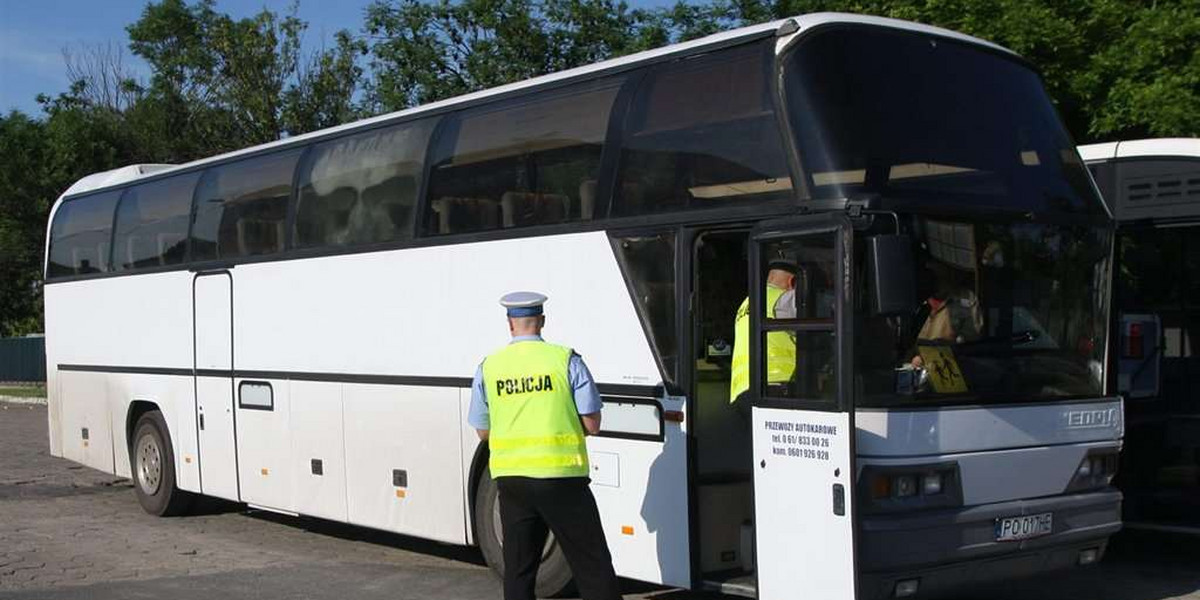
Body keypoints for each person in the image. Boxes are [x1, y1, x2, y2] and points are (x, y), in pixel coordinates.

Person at [467, 291, 621, 600]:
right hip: (561, 479)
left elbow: (483, 432)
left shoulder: (489, 367)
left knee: (520, 570)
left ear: (510, 324)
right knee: (592, 566)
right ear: (542, 322)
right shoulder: (566, 360)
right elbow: (592, 424)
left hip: (511, 482)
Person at [729, 261, 798, 405]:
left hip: (742, 389)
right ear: (792, 281)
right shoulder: (785, 300)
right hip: (775, 386)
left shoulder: (747, 302)